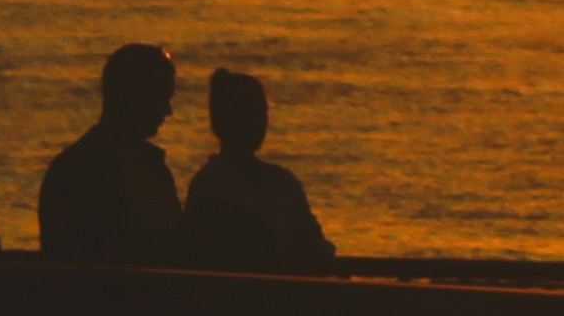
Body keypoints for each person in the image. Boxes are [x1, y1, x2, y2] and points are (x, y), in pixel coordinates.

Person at [173, 65, 337, 273]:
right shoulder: (211, 185)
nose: (258, 122)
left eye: (261, 111)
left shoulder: (283, 182)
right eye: (247, 112)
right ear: (221, 120)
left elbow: (315, 242)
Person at [35, 42, 183, 262]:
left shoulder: (152, 169)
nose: (167, 110)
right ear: (133, 96)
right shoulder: (78, 173)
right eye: (161, 97)